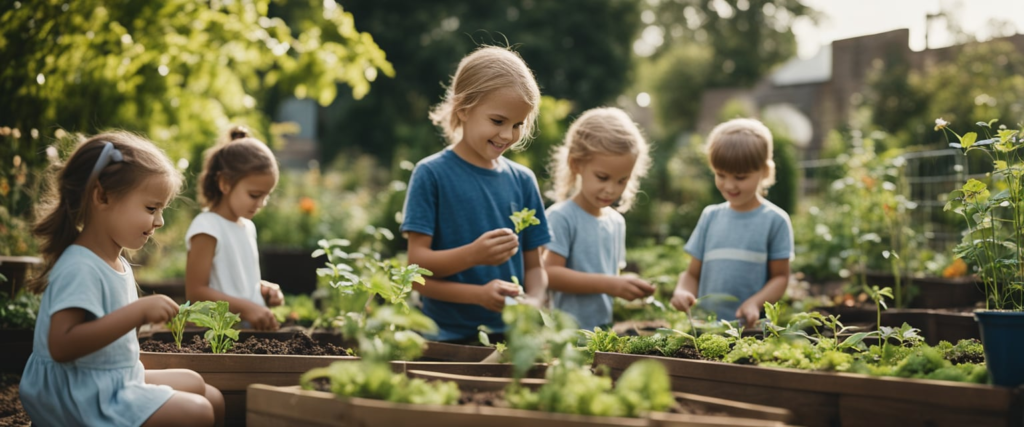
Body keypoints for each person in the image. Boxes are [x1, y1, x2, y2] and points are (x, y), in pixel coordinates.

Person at [20, 132, 224, 426]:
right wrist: (138, 312)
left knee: (204, 389)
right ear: (102, 196)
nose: (159, 221)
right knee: (199, 411)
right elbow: (61, 346)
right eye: (151, 208)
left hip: (108, 377)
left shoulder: (116, 262)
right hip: (80, 394)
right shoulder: (80, 265)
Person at [402, 46, 550, 342]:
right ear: (464, 108)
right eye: (497, 121)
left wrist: (533, 301)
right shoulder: (431, 174)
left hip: (512, 340)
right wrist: (474, 264)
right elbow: (416, 273)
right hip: (443, 338)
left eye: (518, 125)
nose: (507, 135)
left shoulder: (523, 181)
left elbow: (535, 268)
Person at [670, 118, 793, 327]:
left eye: (740, 177)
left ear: (764, 171)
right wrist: (683, 291)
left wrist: (755, 303)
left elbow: (780, 278)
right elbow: (692, 273)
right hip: (705, 328)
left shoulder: (775, 221)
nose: (729, 185)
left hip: (750, 329)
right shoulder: (710, 216)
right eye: (721, 174)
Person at [542, 107, 656, 330]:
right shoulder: (562, 217)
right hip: (563, 333)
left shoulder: (616, 222)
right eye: (602, 177)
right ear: (576, 164)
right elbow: (549, 274)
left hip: (601, 331)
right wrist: (610, 284)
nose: (611, 190)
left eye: (622, 180)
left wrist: (628, 286)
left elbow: (611, 277)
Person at [185, 126, 283, 331]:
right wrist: (247, 308)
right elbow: (196, 292)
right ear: (225, 184)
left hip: (246, 333)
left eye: (267, 195)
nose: (262, 203)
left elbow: (232, 281)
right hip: (215, 337)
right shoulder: (207, 227)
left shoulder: (247, 226)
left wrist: (262, 290)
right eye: (255, 195)